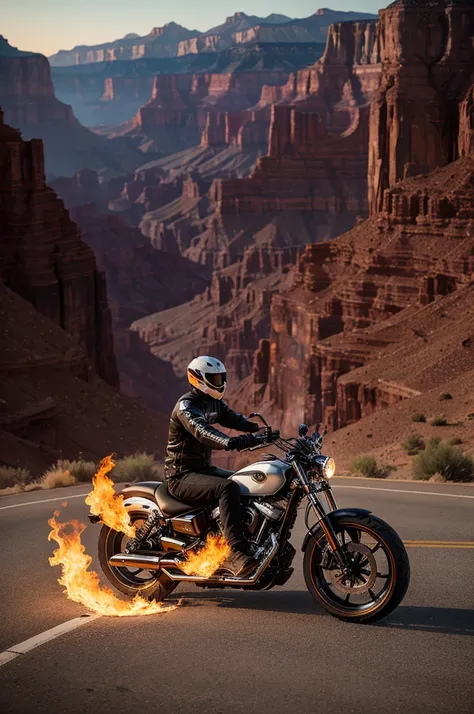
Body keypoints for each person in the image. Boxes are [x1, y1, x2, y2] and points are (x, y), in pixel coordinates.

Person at [165, 355, 261, 577]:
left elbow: (236, 420)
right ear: (199, 379)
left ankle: (245, 542)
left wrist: (258, 431)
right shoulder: (186, 406)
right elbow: (202, 431)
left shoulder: (213, 403)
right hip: (181, 475)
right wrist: (231, 442)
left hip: (202, 470)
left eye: (220, 377)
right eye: (213, 378)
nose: (219, 382)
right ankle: (235, 553)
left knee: (244, 482)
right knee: (227, 488)